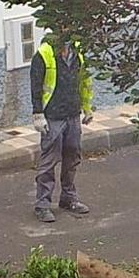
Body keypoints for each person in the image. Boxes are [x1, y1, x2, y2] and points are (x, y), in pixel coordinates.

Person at [29, 32, 94, 224]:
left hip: (72, 113)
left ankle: (68, 198)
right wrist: (38, 114)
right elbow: (36, 87)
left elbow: (84, 82)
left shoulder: (78, 52)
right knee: (49, 160)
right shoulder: (43, 54)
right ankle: (42, 205)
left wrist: (87, 108)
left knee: (72, 157)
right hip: (53, 116)